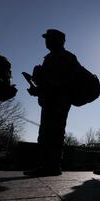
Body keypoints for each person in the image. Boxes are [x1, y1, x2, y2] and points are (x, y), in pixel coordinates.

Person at [24, 29, 80, 177]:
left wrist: (45, 84)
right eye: (46, 38)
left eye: (49, 38)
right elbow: (48, 83)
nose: (46, 41)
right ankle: (46, 165)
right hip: (49, 100)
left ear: (59, 40)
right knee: (45, 133)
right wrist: (37, 89)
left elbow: (67, 81)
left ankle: (53, 166)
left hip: (59, 101)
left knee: (54, 132)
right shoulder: (49, 57)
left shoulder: (67, 57)